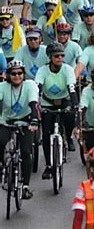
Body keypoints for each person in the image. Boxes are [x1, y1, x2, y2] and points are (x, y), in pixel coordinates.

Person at [36, 42, 78, 179]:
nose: (60, 58)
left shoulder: (67, 69)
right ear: (50, 57)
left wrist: (75, 105)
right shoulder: (42, 70)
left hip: (64, 100)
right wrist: (36, 103)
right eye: (56, 56)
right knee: (47, 134)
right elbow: (38, 87)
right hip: (47, 103)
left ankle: (69, 136)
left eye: (62, 55)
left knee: (70, 117)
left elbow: (72, 88)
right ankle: (48, 165)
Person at [0, 59, 40, 199]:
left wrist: (34, 120)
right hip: (6, 121)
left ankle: (25, 186)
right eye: (14, 74)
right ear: (8, 75)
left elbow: (34, 104)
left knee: (25, 151)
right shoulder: (2, 87)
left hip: (26, 121)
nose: (17, 76)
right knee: (1, 142)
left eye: (20, 73)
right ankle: (2, 167)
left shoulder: (30, 85)